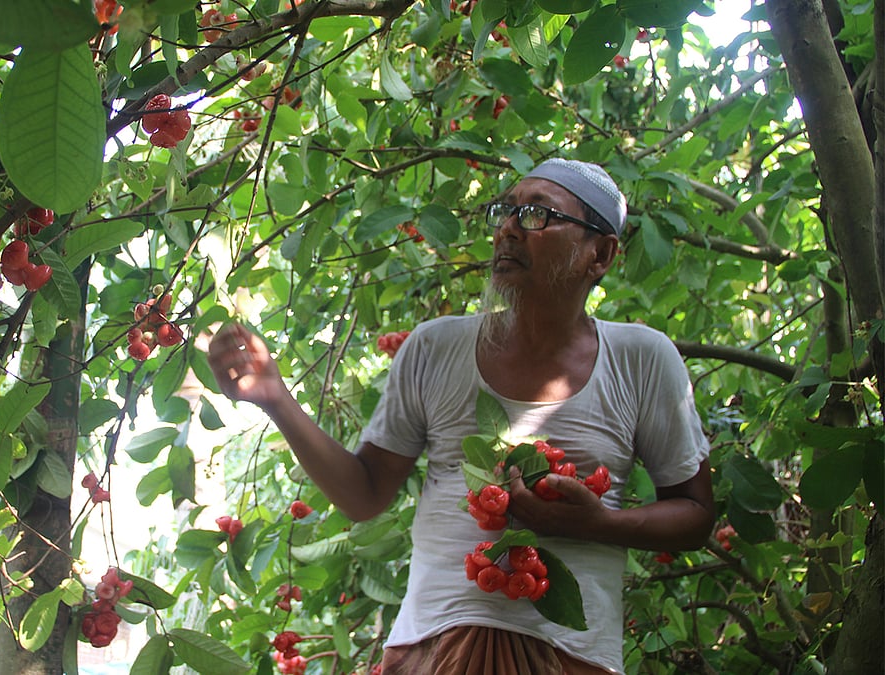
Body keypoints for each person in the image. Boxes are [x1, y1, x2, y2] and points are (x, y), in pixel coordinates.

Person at [206, 158, 715, 674]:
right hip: (428, 650)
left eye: (538, 213)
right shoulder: (435, 346)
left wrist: (600, 523)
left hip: (571, 658)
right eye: (506, 211)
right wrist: (275, 398)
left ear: (599, 254)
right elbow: (364, 495)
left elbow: (694, 516)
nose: (510, 228)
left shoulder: (642, 359)